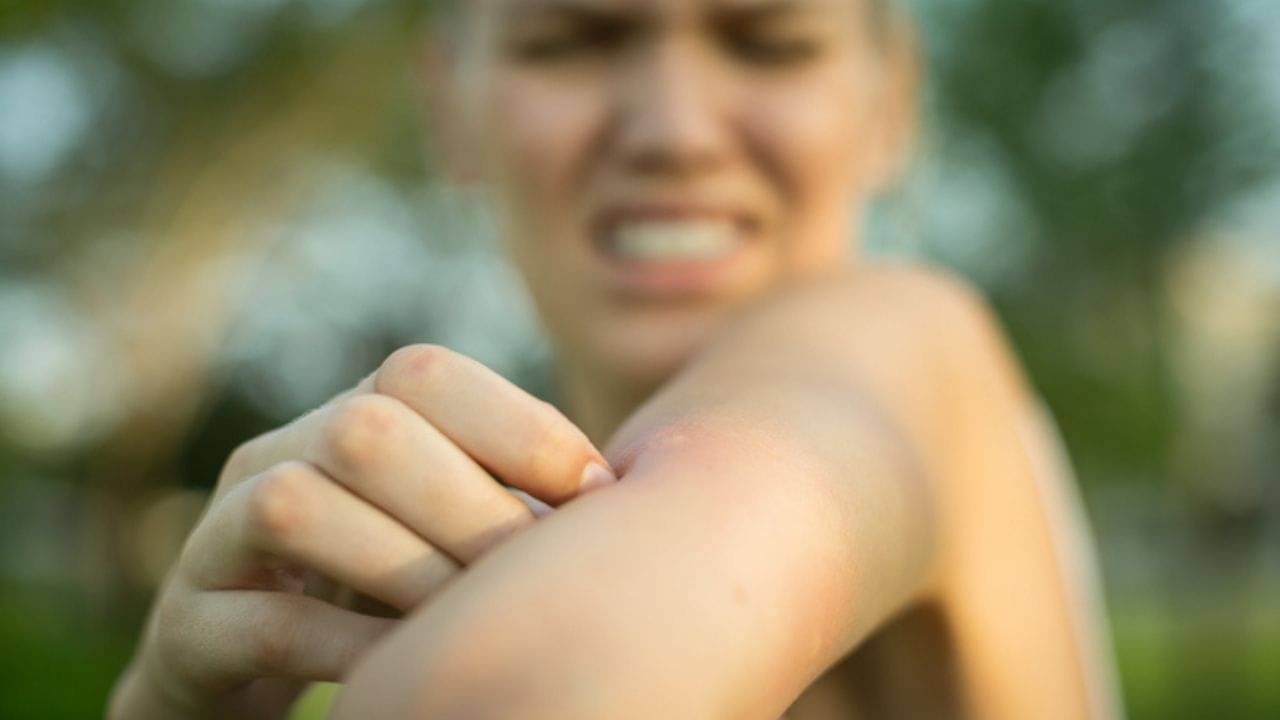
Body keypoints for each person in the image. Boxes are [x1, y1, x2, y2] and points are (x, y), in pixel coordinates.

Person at [108, 0, 1123, 717]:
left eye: (768, 40)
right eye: (571, 39)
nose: (673, 131)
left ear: (888, 102)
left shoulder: (917, 353)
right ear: (450, 112)